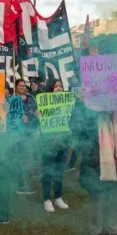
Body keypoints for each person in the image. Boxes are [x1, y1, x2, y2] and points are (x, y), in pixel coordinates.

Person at [70, 94, 117, 235]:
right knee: (96, 202)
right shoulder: (90, 111)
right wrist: (80, 104)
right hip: (95, 164)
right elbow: (75, 127)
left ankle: (111, 234)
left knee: (114, 201)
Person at [41, 79, 70, 213]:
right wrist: (37, 116)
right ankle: (47, 199)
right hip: (47, 144)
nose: (59, 88)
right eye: (56, 86)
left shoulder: (67, 103)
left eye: (60, 86)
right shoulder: (43, 102)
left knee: (59, 171)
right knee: (47, 172)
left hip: (63, 143)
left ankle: (58, 197)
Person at [14, 79, 39, 195]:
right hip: (18, 134)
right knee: (19, 157)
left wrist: (37, 114)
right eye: (20, 86)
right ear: (16, 87)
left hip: (31, 130)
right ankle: (21, 184)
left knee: (30, 154)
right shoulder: (12, 99)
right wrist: (19, 119)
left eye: (24, 85)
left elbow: (36, 112)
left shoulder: (31, 98)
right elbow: (9, 116)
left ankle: (27, 178)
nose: (22, 87)